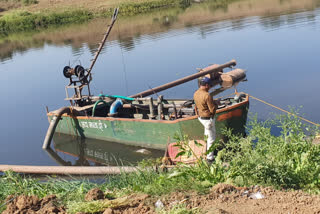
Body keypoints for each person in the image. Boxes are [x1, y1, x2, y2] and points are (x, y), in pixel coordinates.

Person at [193, 77, 218, 163]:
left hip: (201, 118)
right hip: (208, 119)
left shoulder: (195, 93)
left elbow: (198, 105)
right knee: (211, 138)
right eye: (210, 86)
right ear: (206, 85)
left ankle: (205, 151)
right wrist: (216, 104)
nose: (210, 87)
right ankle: (210, 158)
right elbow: (212, 109)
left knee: (207, 135)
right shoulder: (207, 95)